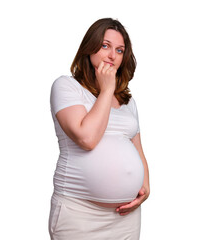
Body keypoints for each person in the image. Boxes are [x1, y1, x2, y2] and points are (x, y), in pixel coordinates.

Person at [48, 18, 150, 240]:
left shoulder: (127, 101)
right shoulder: (66, 87)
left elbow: (137, 148)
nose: (112, 55)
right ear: (89, 47)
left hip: (126, 217)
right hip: (79, 215)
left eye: (120, 50)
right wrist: (106, 90)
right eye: (105, 46)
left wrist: (145, 187)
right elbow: (87, 138)